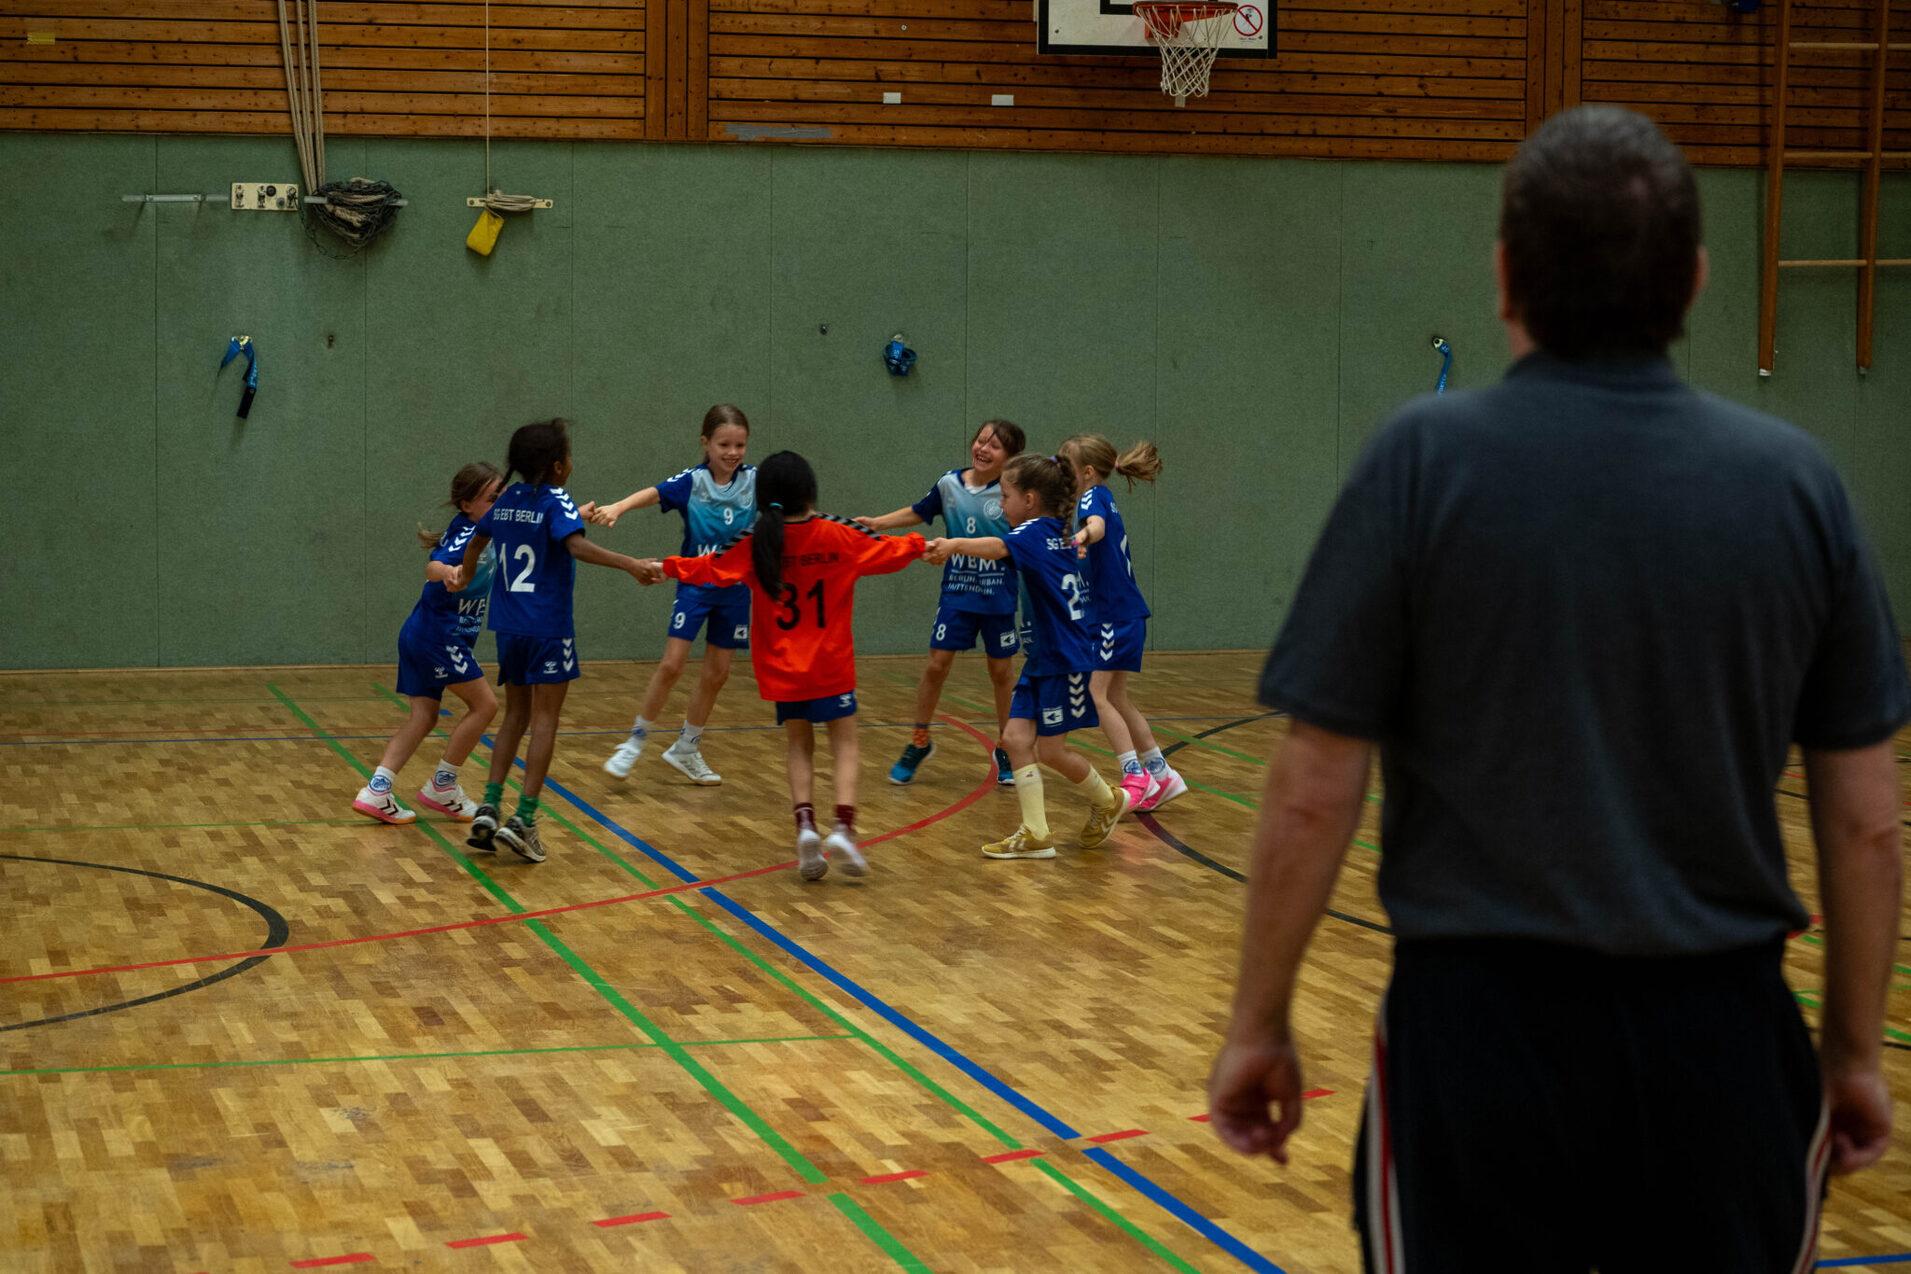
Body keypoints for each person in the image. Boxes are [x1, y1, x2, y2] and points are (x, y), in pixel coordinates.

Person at [1208, 105, 1908, 1271]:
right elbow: (1868, 820)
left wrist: (1258, 1020)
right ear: (1693, 281)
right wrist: (1851, 1053)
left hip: (1477, 1038)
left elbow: (1315, 785)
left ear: (1503, 277)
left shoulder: (1420, 463)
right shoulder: (1798, 483)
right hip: (1722, 1040)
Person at [642, 451, 929, 881]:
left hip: (783, 669)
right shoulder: (837, 533)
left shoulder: (756, 540)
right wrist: (924, 546)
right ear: (810, 491)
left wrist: (666, 566)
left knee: (799, 744)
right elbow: (889, 551)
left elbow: (711, 568)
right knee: (845, 743)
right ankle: (843, 827)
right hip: (830, 665)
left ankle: (805, 826)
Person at [453, 419, 654, 863]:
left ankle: (489, 805)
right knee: (545, 720)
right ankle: (524, 818)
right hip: (547, 627)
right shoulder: (556, 500)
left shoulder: (507, 500)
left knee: (515, 715)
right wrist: (630, 564)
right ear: (559, 466)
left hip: (509, 628)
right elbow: (575, 547)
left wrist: (465, 576)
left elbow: (477, 540)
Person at [925, 454, 1128, 860]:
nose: (1001, 505)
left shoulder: (1033, 531)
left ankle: (1108, 800)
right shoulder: (1056, 530)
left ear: (1030, 499)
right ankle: (1036, 833)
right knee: (1016, 739)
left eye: (1005, 496)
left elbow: (997, 546)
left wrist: (953, 544)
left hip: (1065, 658)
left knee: (1051, 750)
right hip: (1046, 657)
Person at [586, 404, 755, 785]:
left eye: (740, 445)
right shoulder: (694, 482)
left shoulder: (755, 481)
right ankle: (634, 741)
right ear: (705, 443)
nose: (732, 452)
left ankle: (687, 747)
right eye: (724, 444)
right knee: (672, 664)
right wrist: (619, 507)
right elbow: (654, 493)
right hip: (696, 585)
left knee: (718, 672)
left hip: (735, 590)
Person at [855, 420, 1027, 787]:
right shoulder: (950, 483)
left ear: (1010, 458)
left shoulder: (1011, 496)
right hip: (957, 592)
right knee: (936, 665)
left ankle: (1006, 746)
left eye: (994, 446)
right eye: (980, 440)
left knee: (1001, 672)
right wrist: (877, 523)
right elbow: (919, 511)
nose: (983, 448)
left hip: (998, 595)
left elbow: (1014, 545)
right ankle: (919, 740)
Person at [352, 463, 502, 825]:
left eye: (502, 497)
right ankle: (443, 785)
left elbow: (529, 522)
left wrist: (574, 514)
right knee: (485, 706)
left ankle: (377, 790)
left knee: (424, 715)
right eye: (492, 499)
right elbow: (433, 566)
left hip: (420, 633)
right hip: (438, 636)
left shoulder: (486, 528)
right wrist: (449, 572)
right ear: (467, 505)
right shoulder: (468, 535)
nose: (500, 505)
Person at [1059, 433, 1188, 813]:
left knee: (1096, 695)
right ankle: (1161, 773)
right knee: (1116, 697)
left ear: (1086, 472)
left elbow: (1096, 527)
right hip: (1123, 614)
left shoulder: (1091, 498)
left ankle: (1135, 775)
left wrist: (1081, 536)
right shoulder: (1102, 496)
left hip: (1113, 616)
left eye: (1066, 466)